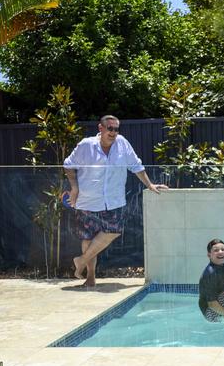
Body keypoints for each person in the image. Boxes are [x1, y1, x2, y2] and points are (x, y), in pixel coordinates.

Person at [63, 115, 167, 287]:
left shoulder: (122, 144)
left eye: (116, 129)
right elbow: (68, 165)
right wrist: (74, 188)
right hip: (88, 199)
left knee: (114, 230)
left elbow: (136, 166)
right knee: (88, 238)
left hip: (113, 199)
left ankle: (80, 261)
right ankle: (90, 277)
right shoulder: (86, 145)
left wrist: (149, 185)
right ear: (101, 128)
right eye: (110, 128)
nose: (113, 132)